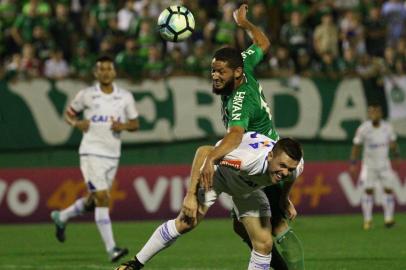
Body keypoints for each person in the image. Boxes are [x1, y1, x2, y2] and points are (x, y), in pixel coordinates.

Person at [200, 4, 305, 269]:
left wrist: (211, 158)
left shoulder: (239, 101)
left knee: (272, 228)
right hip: (269, 151)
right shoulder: (245, 63)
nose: (215, 75)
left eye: (219, 71)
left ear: (232, 71)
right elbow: (263, 42)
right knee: (241, 226)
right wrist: (245, 24)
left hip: (259, 158)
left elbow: (236, 135)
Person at [115, 132, 304, 270]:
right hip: (219, 177)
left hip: (247, 189)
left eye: (289, 168)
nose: (285, 172)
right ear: (270, 156)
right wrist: (190, 195)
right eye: (282, 166)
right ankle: (134, 264)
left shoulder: (295, 167)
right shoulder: (245, 160)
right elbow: (205, 152)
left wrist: (284, 198)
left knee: (264, 244)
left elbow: (291, 177)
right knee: (186, 223)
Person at [50, 55, 140, 262]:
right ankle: (112, 250)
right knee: (102, 198)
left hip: (112, 155)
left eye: (109, 68)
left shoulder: (124, 96)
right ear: (96, 73)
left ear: (114, 72)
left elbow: (135, 124)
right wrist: (76, 124)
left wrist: (123, 126)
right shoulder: (86, 95)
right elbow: (69, 114)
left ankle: (61, 217)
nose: (106, 72)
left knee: (93, 201)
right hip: (90, 152)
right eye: (102, 69)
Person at [349, 103, 399, 230]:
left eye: (377, 112)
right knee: (368, 190)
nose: (375, 114)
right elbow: (356, 145)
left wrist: (396, 154)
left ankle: (389, 219)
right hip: (369, 165)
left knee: (388, 189)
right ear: (369, 114)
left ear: (381, 113)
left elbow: (393, 143)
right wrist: (353, 163)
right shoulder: (363, 129)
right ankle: (368, 220)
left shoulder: (388, 127)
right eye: (372, 112)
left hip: (384, 164)